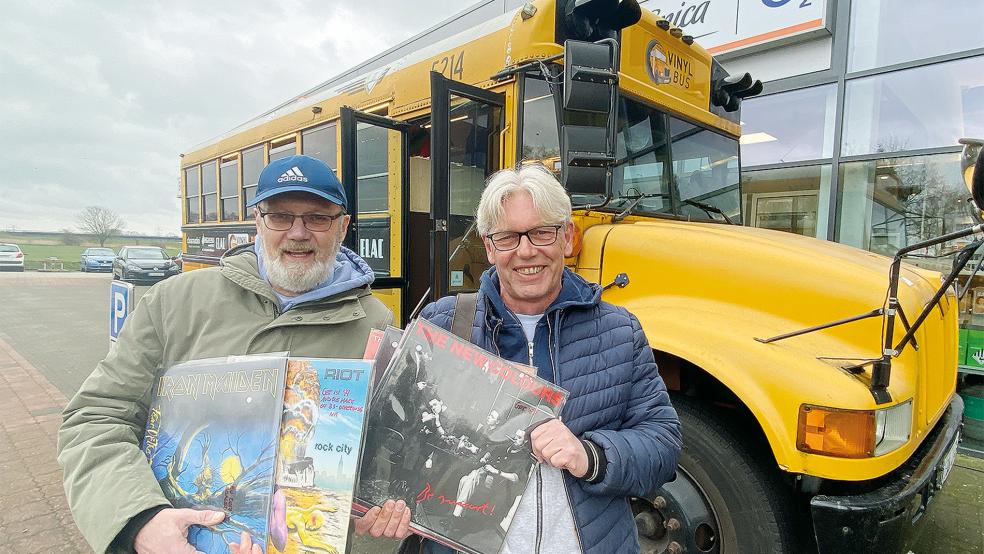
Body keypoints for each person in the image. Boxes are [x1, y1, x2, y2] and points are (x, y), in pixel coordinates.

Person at [57, 155, 410, 554]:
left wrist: (373, 520)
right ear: (258, 222)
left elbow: (378, 452)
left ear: (342, 227)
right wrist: (139, 521)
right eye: (279, 216)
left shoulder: (376, 323)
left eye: (317, 218)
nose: (298, 233)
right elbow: (96, 418)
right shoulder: (175, 301)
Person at [417, 164, 682, 553]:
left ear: (567, 237)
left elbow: (663, 444)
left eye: (542, 232)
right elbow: (407, 442)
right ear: (489, 247)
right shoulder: (440, 324)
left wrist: (590, 456)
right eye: (507, 237)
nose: (526, 251)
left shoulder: (619, 331)